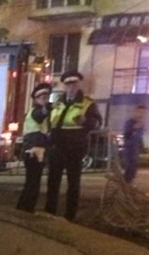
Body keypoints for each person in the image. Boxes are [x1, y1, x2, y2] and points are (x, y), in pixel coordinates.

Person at [44, 70, 103, 222]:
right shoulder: (57, 102)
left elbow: (97, 122)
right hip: (57, 146)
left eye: (74, 84)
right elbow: (51, 121)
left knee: (73, 182)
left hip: (75, 147)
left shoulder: (87, 103)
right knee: (53, 181)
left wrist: (86, 122)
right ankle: (49, 211)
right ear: (64, 85)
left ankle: (70, 215)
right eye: (68, 84)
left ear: (79, 84)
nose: (71, 87)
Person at [15, 83, 52, 213]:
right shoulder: (36, 111)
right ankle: (26, 208)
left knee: (31, 181)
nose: (45, 99)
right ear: (36, 99)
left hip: (33, 150)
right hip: (34, 152)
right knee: (33, 182)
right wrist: (48, 108)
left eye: (47, 97)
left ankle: (23, 207)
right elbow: (40, 114)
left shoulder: (34, 111)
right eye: (42, 97)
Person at [122, 104, 148, 183]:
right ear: (135, 112)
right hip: (129, 148)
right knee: (130, 165)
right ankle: (126, 182)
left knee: (134, 165)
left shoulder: (141, 124)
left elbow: (140, 137)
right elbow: (126, 135)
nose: (141, 115)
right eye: (139, 112)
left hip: (135, 148)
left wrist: (142, 147)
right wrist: (134, 128)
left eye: (143, 113)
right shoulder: (129, 123)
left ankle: (130, 181)